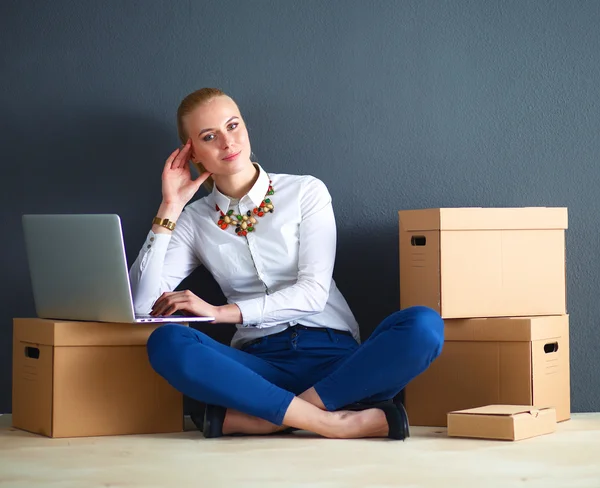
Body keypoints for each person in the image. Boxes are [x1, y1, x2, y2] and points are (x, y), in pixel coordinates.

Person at [129, 87, 444, 440]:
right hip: (259, 369)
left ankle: (270, 419)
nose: (227, 142)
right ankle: (330, 421)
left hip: (338, 364)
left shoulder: (306, 191)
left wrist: (219, 313)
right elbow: (142, 306)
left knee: (424, 325)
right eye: (209, 136)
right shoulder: (194, 219)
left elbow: (312, 294)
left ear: (246, 128)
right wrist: (170, 207)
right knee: (166, 342)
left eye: (233, 126)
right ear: (192, 152)